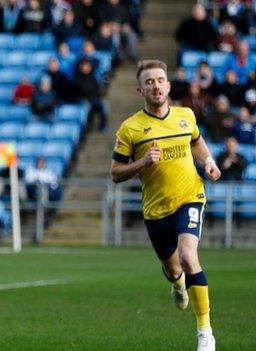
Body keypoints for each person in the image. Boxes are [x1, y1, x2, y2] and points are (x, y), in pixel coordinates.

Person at [110, 60, 221, 351]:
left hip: (190, 197)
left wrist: (208, 162)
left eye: (160, 80)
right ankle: (177, 282)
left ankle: (205, 332)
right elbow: (115, 173)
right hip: (156, 209)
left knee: (188, 255)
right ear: (140, 90)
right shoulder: (130, 129)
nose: (156, 85)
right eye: (149, 82)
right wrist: (143, 162)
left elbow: (196, 141)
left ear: (168, 86)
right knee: (174, 270)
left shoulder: (185, 115)